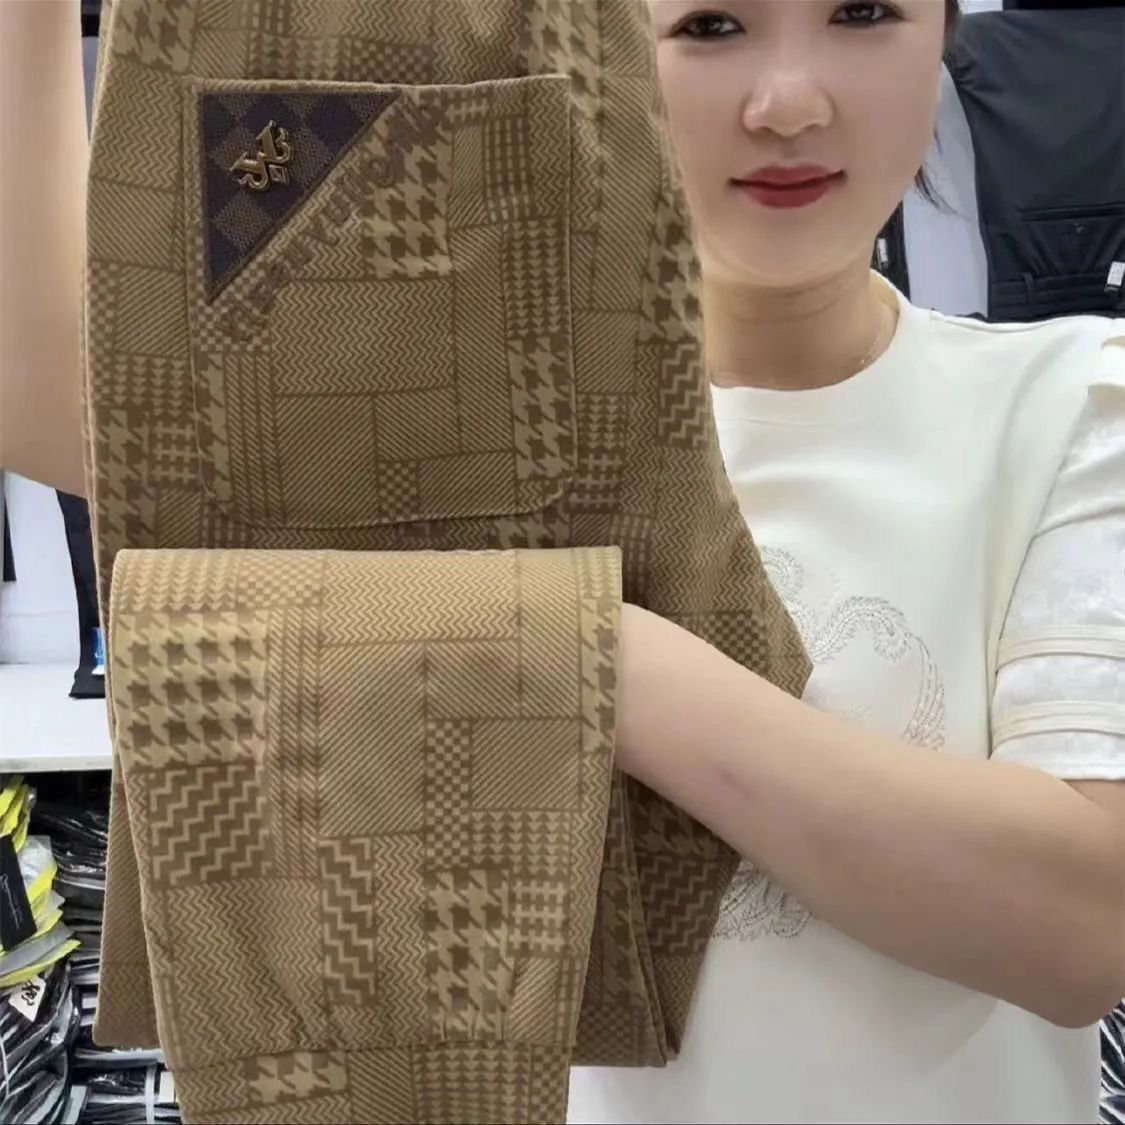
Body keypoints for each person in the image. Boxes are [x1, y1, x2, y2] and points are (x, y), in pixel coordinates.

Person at [568, 2, 1124, 1123]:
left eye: (862, 13)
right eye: (712, 26)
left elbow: (1082, 928)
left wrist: (589, 652)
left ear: (943, 36)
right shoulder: (505, 446)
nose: (789, 104)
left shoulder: (1072, 407)